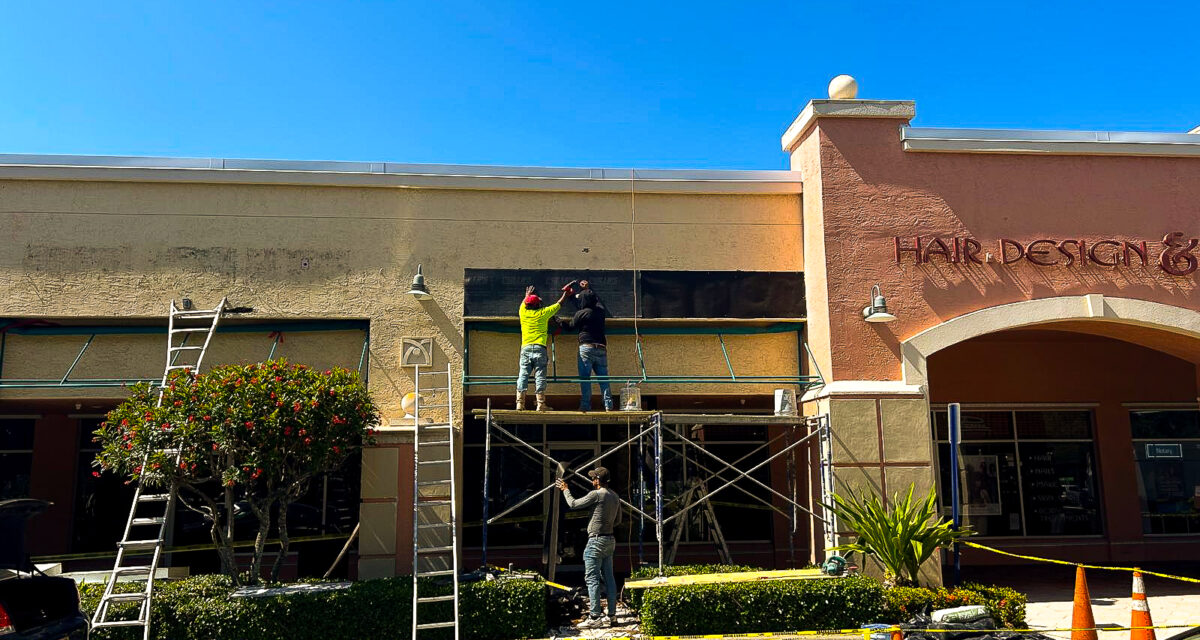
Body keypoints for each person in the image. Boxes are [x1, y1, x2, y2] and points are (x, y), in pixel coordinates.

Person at [555, 466, 621, 628]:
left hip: (596, 541)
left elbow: (573, 504)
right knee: (609, 578)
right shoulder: (615, 496)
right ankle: (612, 616)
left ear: (598, 480)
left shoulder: (596, 494)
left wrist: (565, 489)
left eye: (593, 478)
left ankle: (595, 617)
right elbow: (618, 520)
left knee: (592, 580)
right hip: (610, 540)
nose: (592, 480)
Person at [517, 284, 571, 411]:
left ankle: (520, 403)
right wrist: (566, 294)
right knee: (540, 376)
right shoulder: (543, 313)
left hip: (525, 348)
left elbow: (524, 303)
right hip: (540, 348)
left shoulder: (523, 313)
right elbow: (558, 304)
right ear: (537, 305)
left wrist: (527, 295)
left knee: (523, 375)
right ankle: (540, 404)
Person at [566, 280, 612, 411]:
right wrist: (588, 289)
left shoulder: (581, 313)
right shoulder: (601, 312)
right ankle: (608, 405)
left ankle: (586, 405)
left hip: (586, 348)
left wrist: (558, 321)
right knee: (604, 379)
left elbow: (570, 327)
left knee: (585, 379)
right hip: (601, 348)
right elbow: (596, 300)